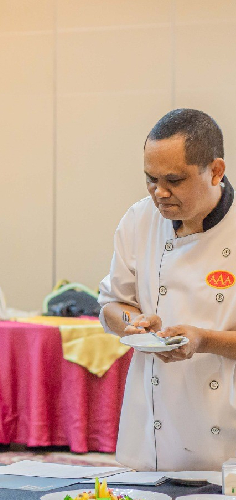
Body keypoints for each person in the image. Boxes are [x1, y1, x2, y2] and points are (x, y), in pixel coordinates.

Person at [99, 108, 236, 471]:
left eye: (174, 180)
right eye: (150, 178)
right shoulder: (139, 219)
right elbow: (112, 304)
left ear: (216, 171)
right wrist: (133, 322)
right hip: (152, 431)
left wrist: (203, 340)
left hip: (226, 435)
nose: (159, 192)